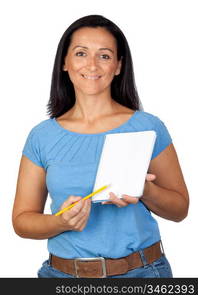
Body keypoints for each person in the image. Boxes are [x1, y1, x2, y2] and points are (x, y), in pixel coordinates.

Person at [12, 14, 189, 278]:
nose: (92, 65)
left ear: (118, 66)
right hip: (61, 277)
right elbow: (22, 220)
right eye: (81, 53)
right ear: (65, 62)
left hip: (142, 275)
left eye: (104, 56)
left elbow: (180, 209)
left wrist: (146, 190)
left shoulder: (148, 127)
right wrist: (59, 221)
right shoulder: (42, 136)